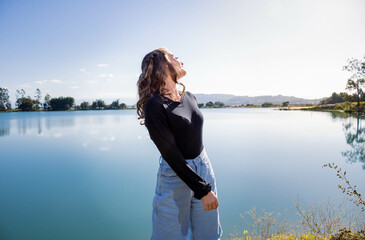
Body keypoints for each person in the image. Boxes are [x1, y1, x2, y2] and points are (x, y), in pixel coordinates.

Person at [136, 47, 222, 240]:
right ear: (163, 66)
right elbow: (171, 154)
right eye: (174, 57)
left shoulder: (190, 97)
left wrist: (203, 182)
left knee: (209, 236)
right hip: (175, 176)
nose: (180, 60)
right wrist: (202, 189)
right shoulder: (155, 106)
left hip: (203, 167)